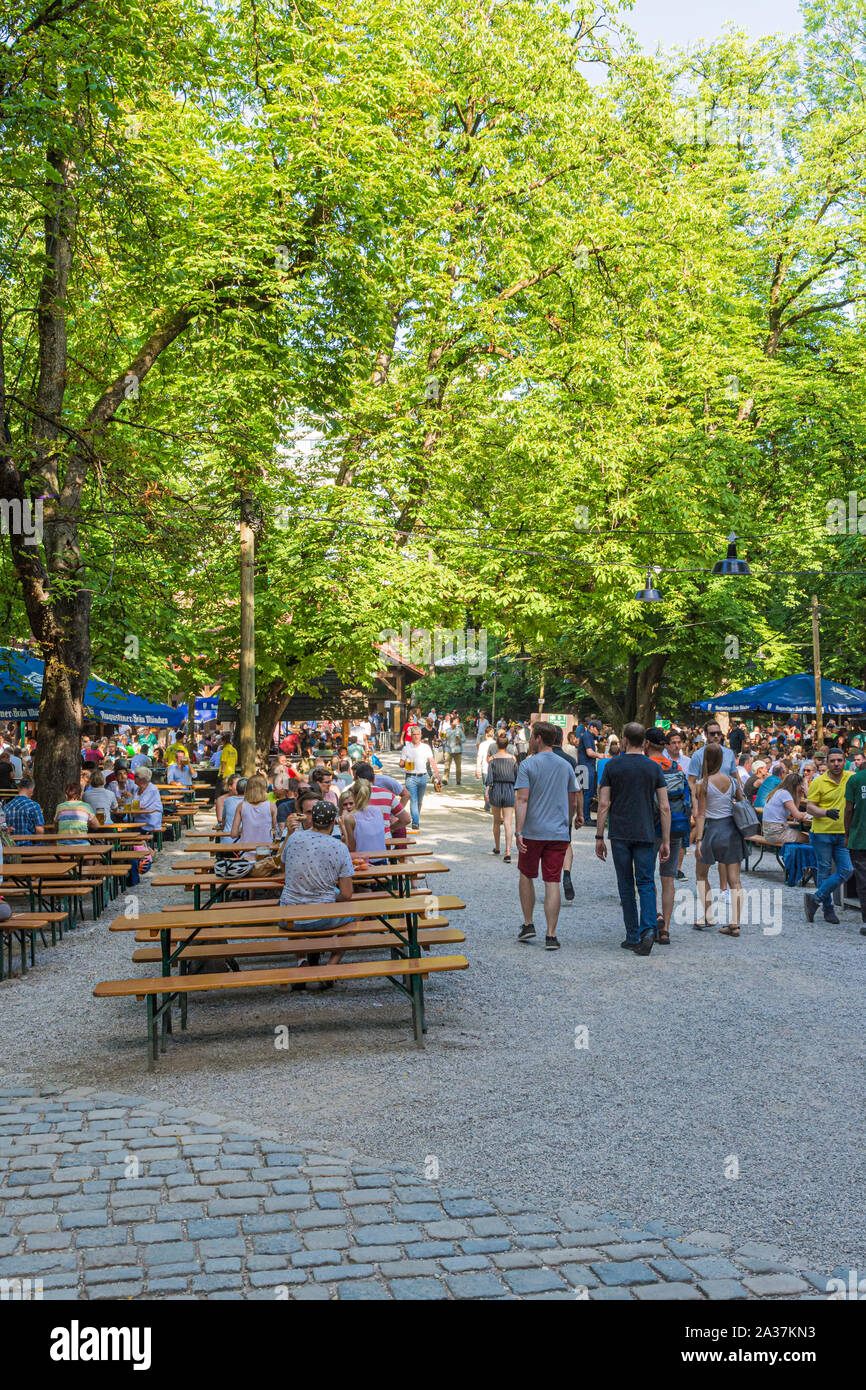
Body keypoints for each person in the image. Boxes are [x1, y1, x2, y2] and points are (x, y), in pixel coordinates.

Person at [595, 722, 669, 955]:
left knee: (626, 884)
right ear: (645, 742)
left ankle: (632, 934)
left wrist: (599, 835)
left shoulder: (611, 766)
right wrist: (665, 839)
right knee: (646, 882)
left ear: (625, 740)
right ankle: (648, 930)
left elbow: (604, 803)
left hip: (620, 832)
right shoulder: (653, 768)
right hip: (646, 832)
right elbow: (665, 807)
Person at [514, 721, 578, 951]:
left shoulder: (528, 765)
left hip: (533, 831)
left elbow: (522, 800)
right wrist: (569, 821)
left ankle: (529, 923)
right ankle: (551, 935)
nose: (530, 741)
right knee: (553, 881)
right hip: (558, 832)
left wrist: (518, 831)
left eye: (532, 736)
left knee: (526, 875)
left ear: (539, 738)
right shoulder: (565, 766)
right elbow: (572, 798)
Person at [279, 800, 355, 976]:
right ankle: (331, 967)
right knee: (353, 920)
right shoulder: (339, 848)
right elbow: (347, 894)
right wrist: (327, 895)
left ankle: (301, 960)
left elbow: (283, 868)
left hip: (288, 917)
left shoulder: (294, 838)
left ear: (311, 820)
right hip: (322, 917)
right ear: (333, 822)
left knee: (290, 901)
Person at [692, 743, 746, 935]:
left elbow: (700, 814)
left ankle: (707, 915)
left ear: (705, 760)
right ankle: (735, 924)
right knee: (735, 880)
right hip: (731, 830)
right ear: (722, 760)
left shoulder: (702, 783)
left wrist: (698, 840)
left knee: (701, 874)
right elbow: (742, 801)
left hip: (711, 830)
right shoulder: (732, 782)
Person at [645, 727, 691, 944]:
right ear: (664, 744)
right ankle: (667, 930)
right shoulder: (677, 768)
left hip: (651, 828)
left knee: (647, 875)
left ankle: (656, 916)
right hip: (675, 827)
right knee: (668, 878)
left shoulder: (648, 768)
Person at [804, 748, 854, 925]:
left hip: (843, 833)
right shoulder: (818, 781)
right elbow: (810, 807)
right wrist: (825, 812)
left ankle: (815, 898)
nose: (836, 764)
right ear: (827, 762)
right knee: (824, 871)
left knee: (847, 870)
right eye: (832, 761)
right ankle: (828, 910)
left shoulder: (850, 777)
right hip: (822, 833)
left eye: (839, 760)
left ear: (844, 761)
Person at [550, 725, 583, 900]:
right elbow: (579, 790)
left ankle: (552, 882)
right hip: (565, 808)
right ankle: (567, 874)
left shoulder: (541, 759)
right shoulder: (571, 761)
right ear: (562, 739)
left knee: (548, 846)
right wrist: (580, 814)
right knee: (566, 842)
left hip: (545, 809)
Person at [400, 725, 440, 831]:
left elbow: (432, 761)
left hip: (422, 777)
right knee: (413, 800)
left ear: (421, 735)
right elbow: (401, 763)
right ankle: (416, 822)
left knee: (419, 801)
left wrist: (437, 775)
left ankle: (415, 818)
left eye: (418, 734)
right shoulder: (406, 748)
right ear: (411, 736)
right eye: (414, 734)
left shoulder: (426, 747)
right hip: (410, 777)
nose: (416, 736)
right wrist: (404, 764)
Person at [486, 730, 518, 861]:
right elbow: (517, 777)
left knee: (496, 821)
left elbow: (489, 779)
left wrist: (487, 792)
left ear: (497, 745)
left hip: (496, 789)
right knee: (508, 823)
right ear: (507, 745)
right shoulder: (513, 759)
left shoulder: (492, 760)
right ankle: (508, 851)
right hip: (510, 789)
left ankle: (497, 847)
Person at [230, 772, 277, 855]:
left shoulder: (241, 806)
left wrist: (243, 831)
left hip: (245, 851)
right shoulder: (271, 806)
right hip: (265, 852)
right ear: (264, 788)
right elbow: (277, 831)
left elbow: (233, 834)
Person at [844, 754, 866, 928]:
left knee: (863, 880)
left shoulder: (855, 780)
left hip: (859, 837)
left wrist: (846, 834)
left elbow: (849, 810)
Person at [340, 778, 388, 859]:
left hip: (363, 864)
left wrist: (343, 826)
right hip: (382, 860)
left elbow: (351, 849)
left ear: (353, 795)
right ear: (369, 793)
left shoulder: (350, 818)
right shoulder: (379, 811)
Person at [761, 773, 810, 846]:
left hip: (770, 832)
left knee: (805, 837)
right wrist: (810, 813)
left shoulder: (779, 791)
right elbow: (798, 816)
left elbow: (792, 815)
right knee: (809, 839)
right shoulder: (785, 794)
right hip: (777, 833)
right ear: (796, 785)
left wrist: (799, 794)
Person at [576, 719, 601, 826]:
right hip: (585, 768)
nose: (599, 732)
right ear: (592, 727)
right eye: (598, 729)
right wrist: (602, 755)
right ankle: (586, 818)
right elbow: (589, 752)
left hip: (583, 767)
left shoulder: (588, 736)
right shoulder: (587, 736)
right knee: (587, 794)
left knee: (583, 793)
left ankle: (584, 816)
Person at [475, 725, 497, 813]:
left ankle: (487, 804)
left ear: (486, 734)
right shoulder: (496, 744)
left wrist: (477, 768)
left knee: (485, 786)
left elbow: (479, 757)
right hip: (495, 769)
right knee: (494, 786)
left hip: (485, 768)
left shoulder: (482, 745)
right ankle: (493, 804)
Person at [442, 715, 465, 786]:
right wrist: (443, 739)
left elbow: (464, 739)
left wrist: (460, 740)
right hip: (448, 750)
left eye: (457, 722)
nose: (456, 723)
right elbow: (443, 739)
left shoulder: (459, 730)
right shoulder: (446, 730)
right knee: (446, 766)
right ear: (451, 723)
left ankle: (458, 780)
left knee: (458, 768)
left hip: (458, 751)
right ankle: (445, 779)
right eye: (455, 722)